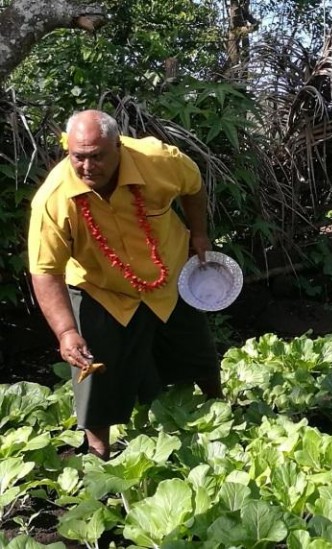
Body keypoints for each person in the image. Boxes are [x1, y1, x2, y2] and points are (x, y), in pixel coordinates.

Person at [27, 110, 223, 459]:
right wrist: (65, 332)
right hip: (100, 288)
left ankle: (222, 414)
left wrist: (199, 233)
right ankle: (99, 451)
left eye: (97, 156)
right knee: (94, 369)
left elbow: (193, 188)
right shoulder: (53, 199)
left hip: (166, 276)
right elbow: (45, 270)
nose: (88, 167)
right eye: (79, 157)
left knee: (197, 351)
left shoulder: (159, 161)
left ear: (118, 146)